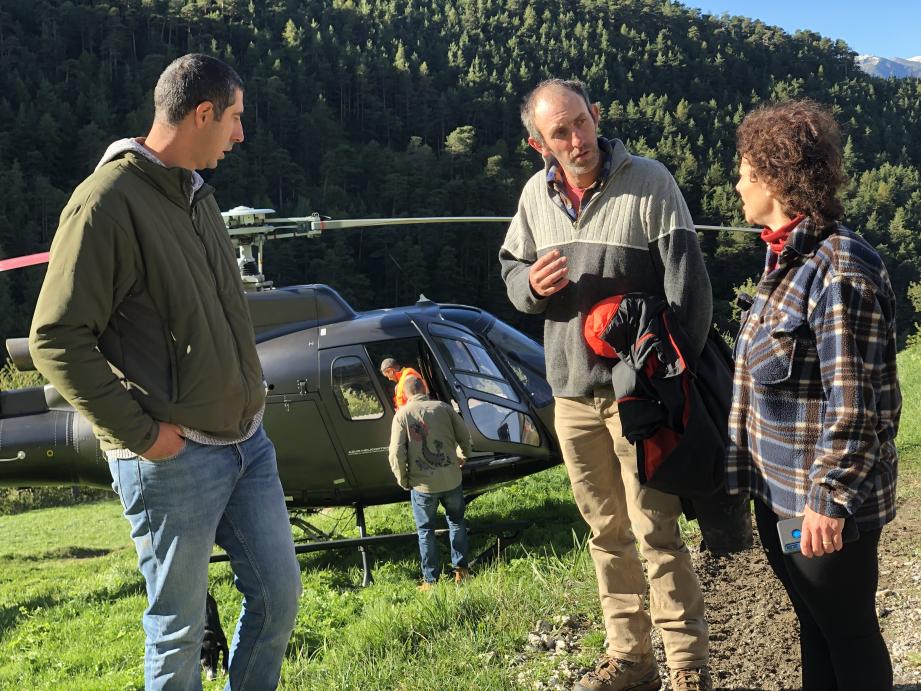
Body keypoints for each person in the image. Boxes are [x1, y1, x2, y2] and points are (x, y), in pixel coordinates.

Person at [29, 54, 301, 690]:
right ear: (202, 113)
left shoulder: (196, 194)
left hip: (246, 444)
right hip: (172, 460)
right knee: (179, 634)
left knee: (279, 601)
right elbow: (56, 337)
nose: (240, 135)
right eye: (235, 118)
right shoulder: (105, 202)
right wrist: (145, 436)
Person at [500, 78, 713, 691]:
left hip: (639, 398)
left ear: (596, 116)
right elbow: (512, 273)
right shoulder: (533, 198)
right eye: (558, 132)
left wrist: (672, 382)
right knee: (605, 534)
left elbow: (690, 292)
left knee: (657, 531)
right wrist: (531, 288)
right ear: (538, 143)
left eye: (581, 123)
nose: (576, 140)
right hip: (571, 395)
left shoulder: (650, 182)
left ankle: (687, 666)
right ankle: (631, 659)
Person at [728, 99, 900, 691]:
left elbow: (855, 403)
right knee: (815, 627)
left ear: (776, 180)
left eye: (746, 171)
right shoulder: (788, 260)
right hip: (782, 494)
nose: (737, 183)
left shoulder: (838, 267)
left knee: (848, 635)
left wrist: (828, 499)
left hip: (822, 504)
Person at [387, 376, 472, 590]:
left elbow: (396, 453)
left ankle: (431, 581)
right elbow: (465, 436)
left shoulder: (402, 415)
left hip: (422, 486)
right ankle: (462, 571)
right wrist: (462, 457)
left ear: (405, 395)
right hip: (451, 479)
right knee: (456, 522)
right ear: (424, 388)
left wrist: (403, 479)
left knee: (426, 530)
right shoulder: (443, 408)